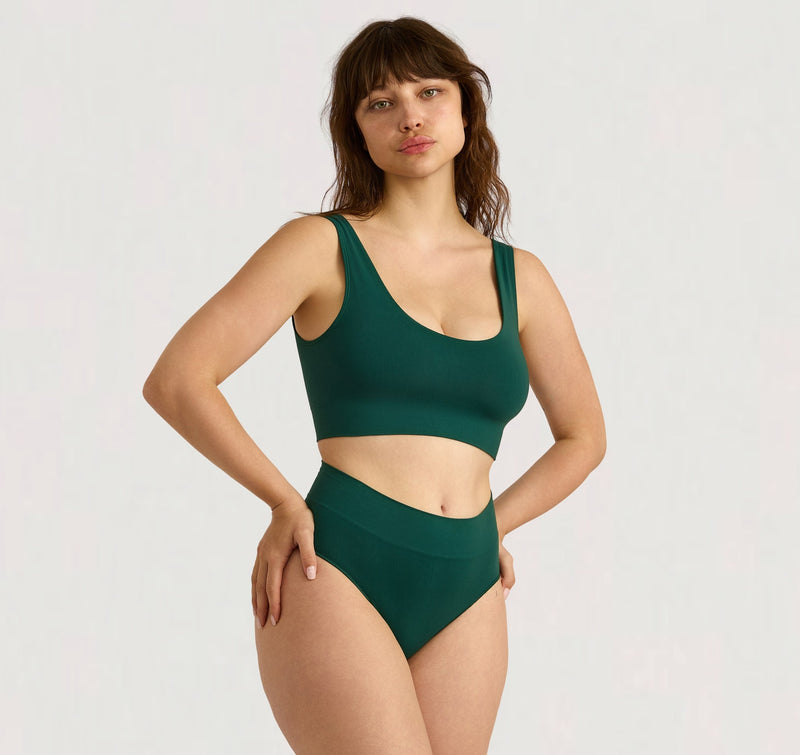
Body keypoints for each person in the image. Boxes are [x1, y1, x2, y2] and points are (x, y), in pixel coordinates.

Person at [143, 15, 605, 755]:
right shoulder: (321, 246)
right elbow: (178, 379)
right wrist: (282, 499)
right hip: (340, 561)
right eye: (380, 102)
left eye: (429, 92)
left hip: (467, 578)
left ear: (466, 110)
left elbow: (584, 437)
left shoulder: (524, 279)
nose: (410, 116)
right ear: (357, 131)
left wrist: (496, 525)